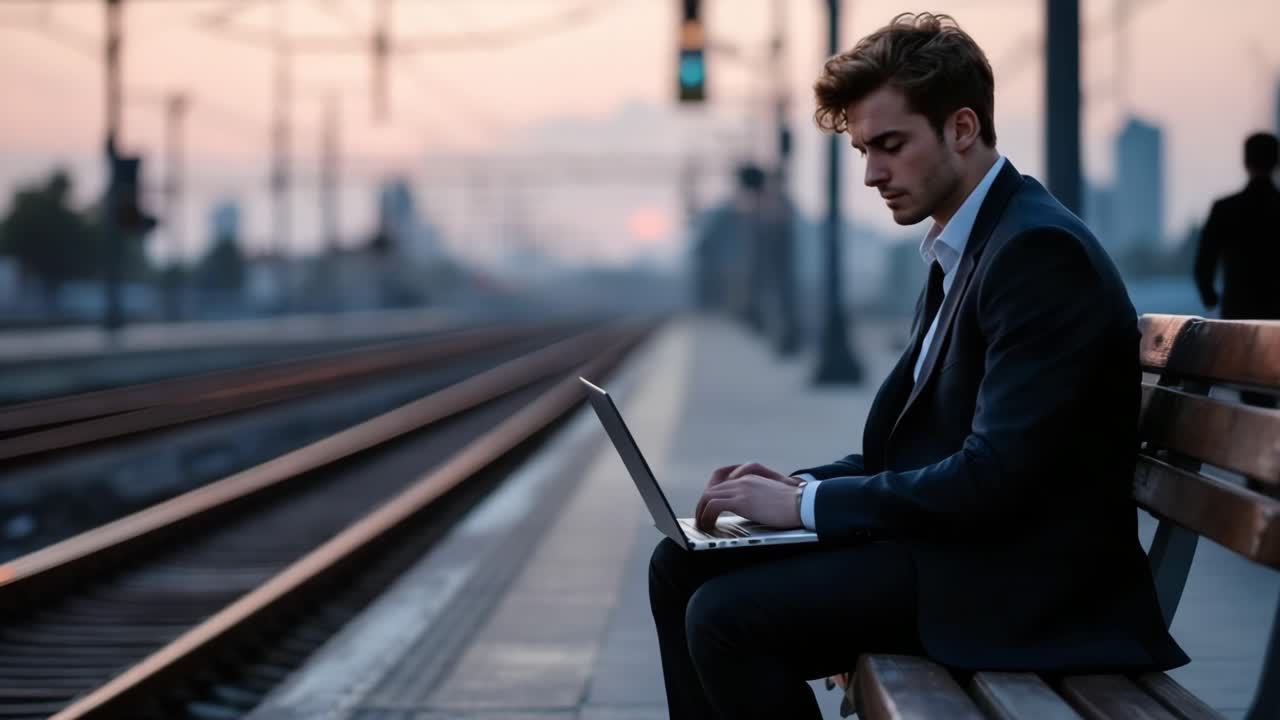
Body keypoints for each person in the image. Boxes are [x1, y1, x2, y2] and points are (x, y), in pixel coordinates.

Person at [647, 13, 1187, 720]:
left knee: (725, 617)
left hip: (1019, 585)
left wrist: (806, 510)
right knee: (680, 564)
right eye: (864, 150)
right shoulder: (969, 244)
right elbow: (920, 450)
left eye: (890, 146)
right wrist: (797, 488)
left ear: (962, 129)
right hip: (965, 552)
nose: (872, 174)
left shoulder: (1035, 255)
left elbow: (994, 476)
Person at [1194, 131, 1280, 408]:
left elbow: (1203, 265)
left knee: (1252, 391)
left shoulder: (1225, 209)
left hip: (1238, 314)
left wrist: (1211, 297)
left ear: (1245, 161)